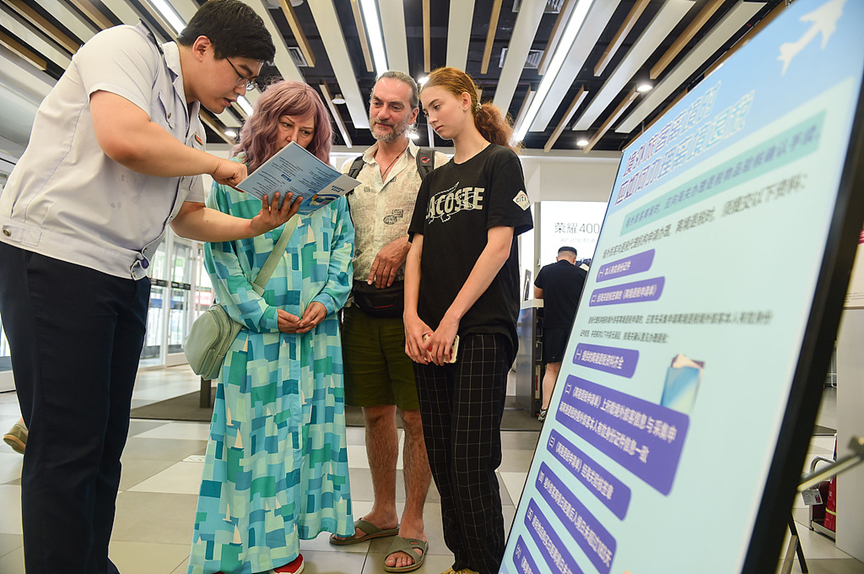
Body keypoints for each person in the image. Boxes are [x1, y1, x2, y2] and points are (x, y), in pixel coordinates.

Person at [0, 3, 301, 573]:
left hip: (124, 275)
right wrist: (216, 167)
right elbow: (123, 138)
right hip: (56, 259)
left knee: (106, 442)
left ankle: (91, 561)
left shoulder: (187, 124)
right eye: (238, 73)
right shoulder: (127, 49)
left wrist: (256, 225)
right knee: (66, 444)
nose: (239, 91)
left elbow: (188, 218)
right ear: (203, 46)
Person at [187, 80, 355, 574]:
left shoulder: (328, 193)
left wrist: (327, 300)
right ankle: (246, 547)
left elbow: (345, 250)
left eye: (307, 131)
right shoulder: (229, 183)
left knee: (304, 437)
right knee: (248, 442)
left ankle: (285, 544)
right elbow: (222, 260)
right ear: (265, 121)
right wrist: (261, 313)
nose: (296, 140)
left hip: (315, 337)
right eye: (287, 124)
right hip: (257, 338)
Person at [404, 67, 534, 574]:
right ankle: (463, 561)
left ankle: (484, 564)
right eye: (427, 109)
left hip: (478, 328)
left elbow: (498, 246)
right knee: (441, 455)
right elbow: (416, 252)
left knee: (472, 459)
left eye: (437, 105)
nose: (430, 117)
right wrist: (413, 318)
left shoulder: (501, 163)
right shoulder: (434, 178)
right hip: (430, 333)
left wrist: (453, 317)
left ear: (465, 100)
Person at [330, 71, 448, 573]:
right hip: (358, 311)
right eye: (377, 104)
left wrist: (408, 242)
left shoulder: (434, 166)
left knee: (417, 418)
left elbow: (454, 233)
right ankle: (381, 510)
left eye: (396, 107)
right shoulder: (348, 170)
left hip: (414, 311)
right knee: (375, 414)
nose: (383, 113)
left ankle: (414, 521)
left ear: (414, 115)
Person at [534, 246, 587, 421]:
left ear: (557, 258)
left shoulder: (547, 270)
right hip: (575, 328)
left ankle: (545, 409)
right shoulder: (581, 274)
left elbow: (537, 295)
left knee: (552, 369)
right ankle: (573, 411)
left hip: (553, 326)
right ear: (574, 259)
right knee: (574, 370)